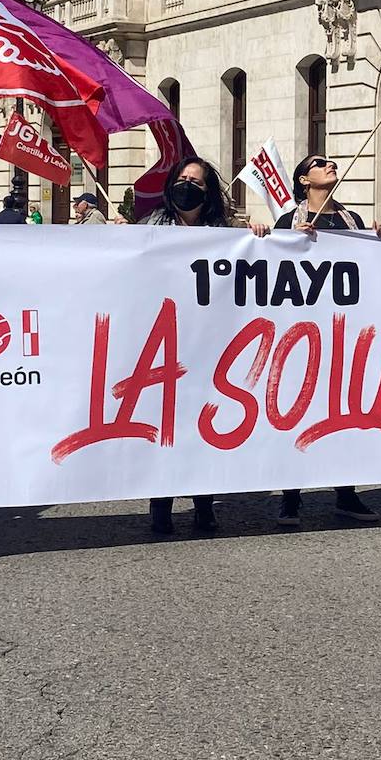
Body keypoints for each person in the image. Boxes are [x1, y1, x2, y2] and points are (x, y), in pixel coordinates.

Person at [142, 157, 269, 534]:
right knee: (165, 425)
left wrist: (257, 234)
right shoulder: (151, 227)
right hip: (163, 342)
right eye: (182, 179)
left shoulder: (224, 232)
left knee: (203, 423)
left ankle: (204, 502)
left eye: (195, 181)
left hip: (209, 345)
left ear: (207, 191)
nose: (187, 185)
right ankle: (161, 504)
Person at [273, 153, 381, 526]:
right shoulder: (287, 220)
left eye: (331, 163)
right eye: (320, 163)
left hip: (344, 332)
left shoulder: (350, 220)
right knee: (296, 411)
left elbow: (368, 267)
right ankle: (291, 497)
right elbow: (270, 268)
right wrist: (283, 239)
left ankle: (346, 493)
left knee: (342, 411)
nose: (331, 166)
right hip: (300, 332)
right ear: (304, 180)